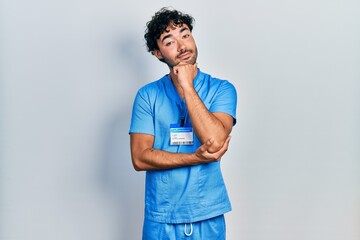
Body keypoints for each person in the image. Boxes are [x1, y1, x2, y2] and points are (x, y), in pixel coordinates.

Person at [129, 7, 237, 240]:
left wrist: (187, 87)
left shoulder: (222, 89)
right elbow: (139, 158)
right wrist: (195, 158)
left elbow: (215, 141)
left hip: (207, 214)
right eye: (170, 41)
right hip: (161, 218)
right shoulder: (148, 96)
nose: (182, 46)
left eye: (185, 34)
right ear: (157, 53)